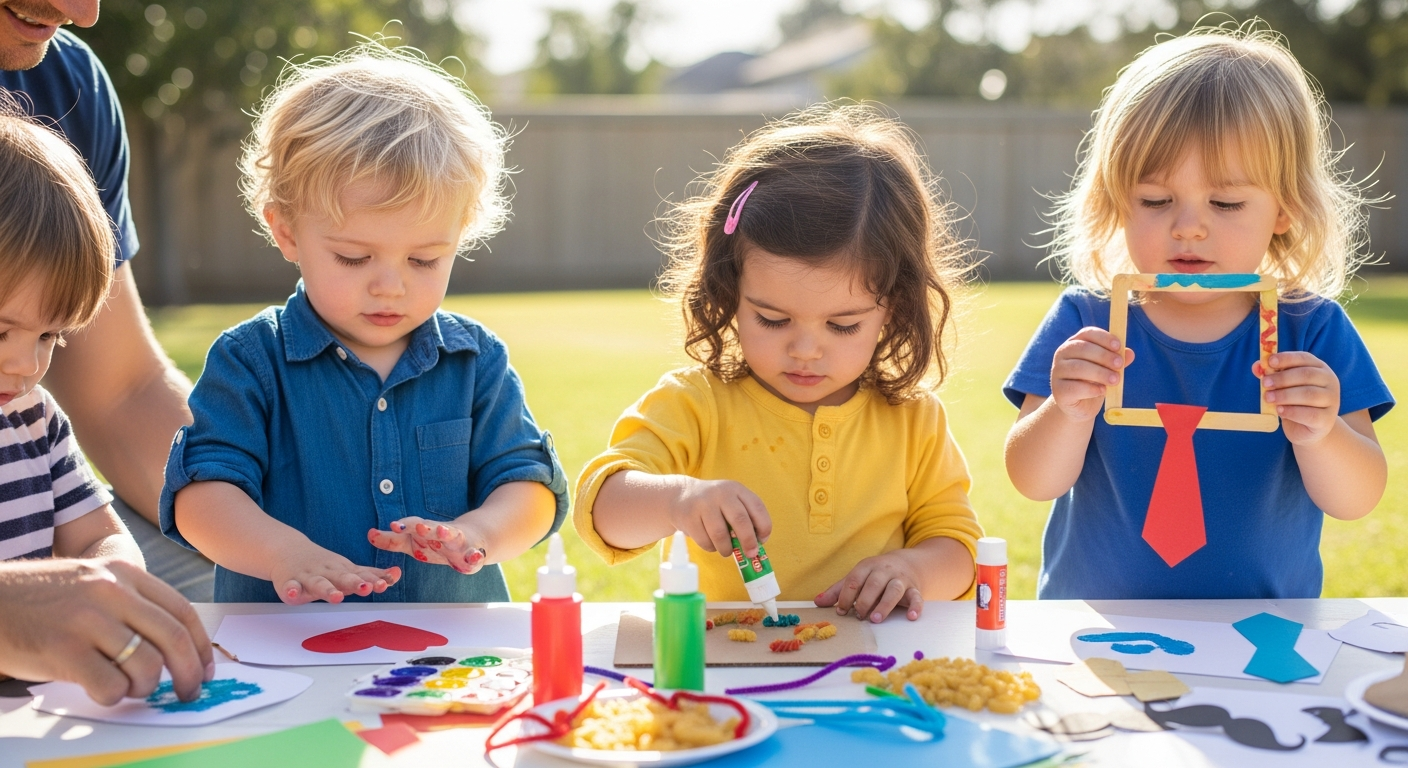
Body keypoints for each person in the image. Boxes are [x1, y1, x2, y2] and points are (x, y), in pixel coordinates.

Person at [161, 44, 569, 604]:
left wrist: (479, 533)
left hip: (448, 646)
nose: (390, 286)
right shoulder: (251, 360)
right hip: (284, 643)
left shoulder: (476, 362)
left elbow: (528, 484)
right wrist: (282, 553)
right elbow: (202, 497)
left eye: (424, 259)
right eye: (353, 258)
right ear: (286, 232)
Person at [1002, 26, 1393, 599]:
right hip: (1095, 626)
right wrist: (1066, 411)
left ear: (1285, 208)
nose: (1189, 226)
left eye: (1226, 202)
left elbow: (1358, 499)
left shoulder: (1311, 329)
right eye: (1156, 200)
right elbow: (1033, 481)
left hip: (1260, 627)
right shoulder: (1088, 320)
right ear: (1117, 201)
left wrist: (1322, 433)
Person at [574, 105, 983, 624]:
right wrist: (678, 500)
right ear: (730, 291)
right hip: (725, 661)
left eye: (842, 325)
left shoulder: (913, 420)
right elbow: (601, 508)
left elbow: (959, 549)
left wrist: (914, 569)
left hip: (876, 661)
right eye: (772, 319)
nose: (805, 350)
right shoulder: (695, 404)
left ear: (894, 308)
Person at [0, 0, 215, 600]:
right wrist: (24, 610)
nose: (84, 12)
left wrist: (275, 528)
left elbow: (123, 390)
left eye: (51, 335)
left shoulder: (64, 82)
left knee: (247, 583)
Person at [0, 100, 211, 705]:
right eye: (2, 331)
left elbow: (98, 537)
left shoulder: (34, 421)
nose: (28, 364)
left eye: (50, 336)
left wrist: (113, 573)